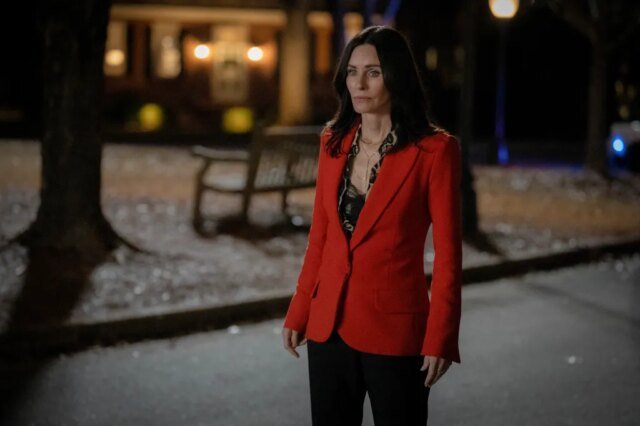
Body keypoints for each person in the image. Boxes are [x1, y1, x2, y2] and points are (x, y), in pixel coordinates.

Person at [281, 25, 462, 426]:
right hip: (328, 328)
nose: (359, 84)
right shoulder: (332, 142)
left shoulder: (435, 152)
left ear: (396, 77)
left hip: (396, 333)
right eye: (352, 72)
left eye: (373, 72)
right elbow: (321, 237)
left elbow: (448, 255)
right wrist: (300, 308)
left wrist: (441, 336)